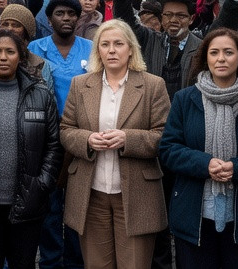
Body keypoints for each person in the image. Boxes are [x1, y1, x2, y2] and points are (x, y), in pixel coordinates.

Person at [160, 28, 238, 269]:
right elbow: (168, 149)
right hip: (194, 215)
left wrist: (237, 168)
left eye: (228, 52)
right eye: (214, 52)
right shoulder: (185, 100)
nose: (221, 58)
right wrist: (204, 164)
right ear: (205, 57)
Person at [60, 19, 170, 269]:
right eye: (105, 44)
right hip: (91, 193)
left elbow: (165, 137)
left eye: (118, 44)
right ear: (97, 50)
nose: (111, 50)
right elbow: (66, 130)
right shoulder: (81, 84)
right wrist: (87, 139)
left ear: (131, 48)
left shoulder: (153, 85)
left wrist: (127, 139)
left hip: (136, 195)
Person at [0, 29, 63, 269]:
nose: (3, 57)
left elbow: (54, 144)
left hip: (28, 201)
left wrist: (42, 184)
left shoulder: (41, 94)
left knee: (23, 263)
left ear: (21, 56)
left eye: (10, 51)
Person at [28, 0, 92, 269]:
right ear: (49, 18)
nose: (66, 18)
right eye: (60, 14)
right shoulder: (35, 47)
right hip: (47, 139)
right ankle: (52, 260)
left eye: (71, 14)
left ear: (78, 18)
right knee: (50, 205)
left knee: (80, 206)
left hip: (83, 138)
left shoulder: (91, 47)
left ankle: (77, 261)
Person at [0, 4, 55, 85]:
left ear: (26, 32)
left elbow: (47, 95)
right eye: (5, 24)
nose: (9, 29)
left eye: (16, 25)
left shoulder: (40, 65)